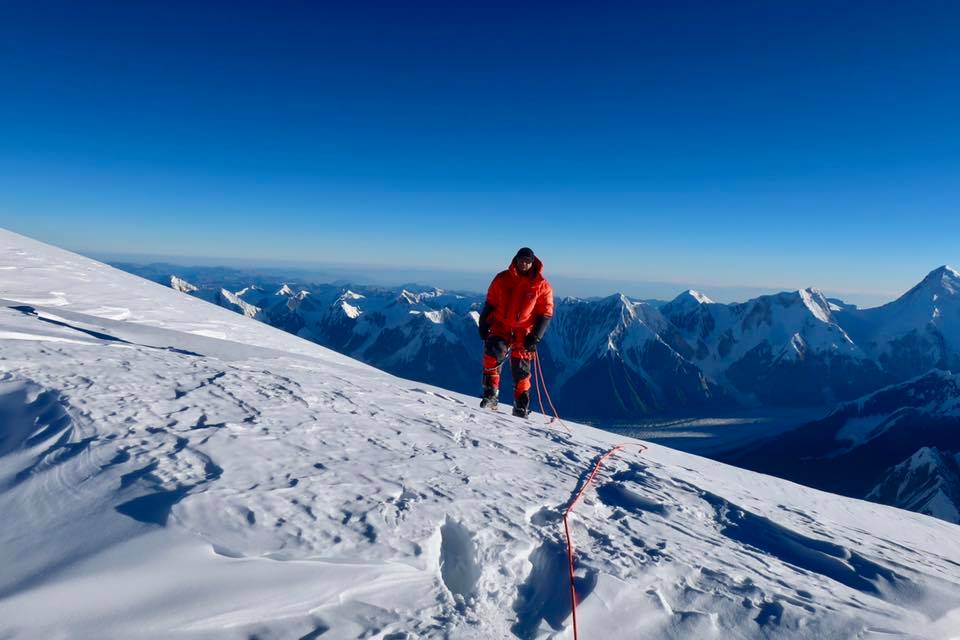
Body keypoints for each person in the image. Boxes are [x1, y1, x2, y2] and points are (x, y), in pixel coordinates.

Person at [477, 247, 554, 417]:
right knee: (492, 356)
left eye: (527, 261)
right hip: (501, 325)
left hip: (524, 332)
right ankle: (490, 396)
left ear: (532, 263)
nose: (524, 263)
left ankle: (521, 406)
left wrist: (535, 336)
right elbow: (491, 302)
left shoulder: (542, 286)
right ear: (516, 260)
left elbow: (546, 313)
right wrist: (483, 322)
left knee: (521, 370)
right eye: (522, 260)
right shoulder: (502, 278)